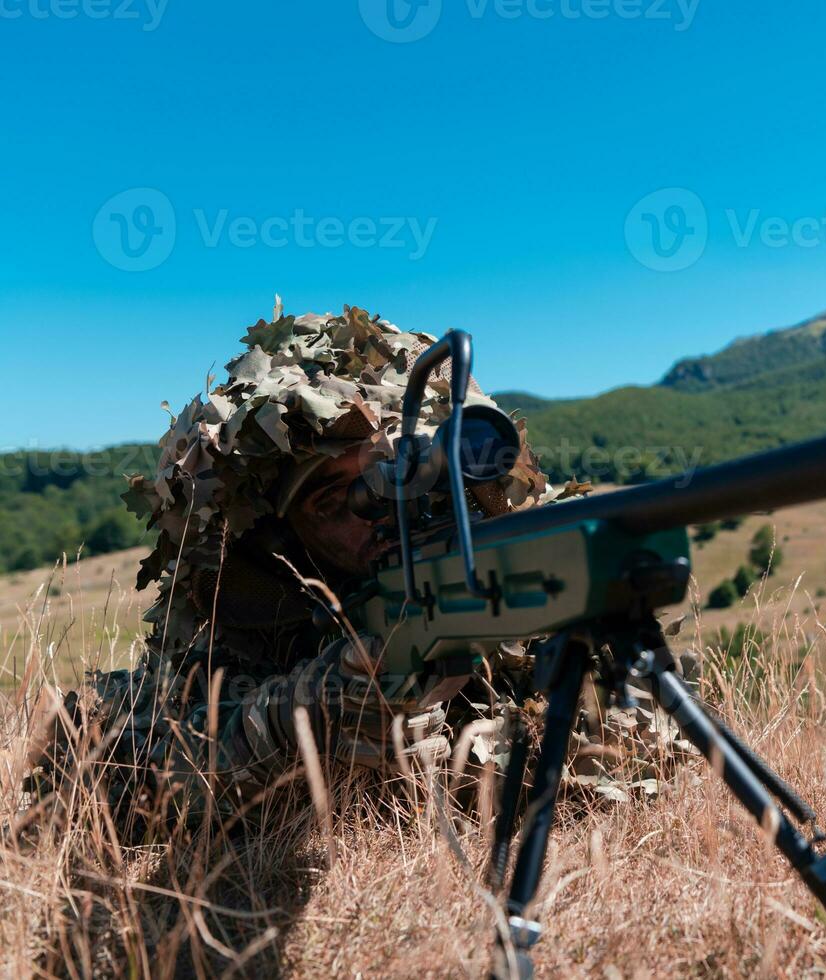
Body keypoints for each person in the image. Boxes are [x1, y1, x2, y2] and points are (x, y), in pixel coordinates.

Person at [31, 305, 687, 834]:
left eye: (390, 472)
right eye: (329, 500)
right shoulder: (245, 625)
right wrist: (318, 711)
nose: (374, 509)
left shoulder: (490, 566)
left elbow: (650, 750)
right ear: (286, 538)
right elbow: (154, 783)